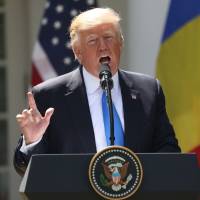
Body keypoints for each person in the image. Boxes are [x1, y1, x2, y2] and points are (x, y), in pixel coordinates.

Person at [14, 7, 181, 176]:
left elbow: (169, 150)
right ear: (77, 51)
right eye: (93, 40)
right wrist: (33, 142)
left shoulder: (149, 90)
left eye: (108, 37)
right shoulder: (49, 96)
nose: (103, 47)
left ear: (120, 42)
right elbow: (24, 168)